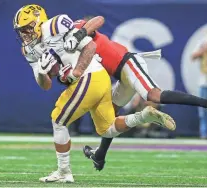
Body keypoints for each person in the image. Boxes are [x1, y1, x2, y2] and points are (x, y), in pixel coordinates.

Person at [13, 4, 175, 183]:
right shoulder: (28, 49)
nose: (24, 34)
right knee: (107, 129)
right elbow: (45, 86)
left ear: (38, 21)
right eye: (21, 31)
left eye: (27, 28)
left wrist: (76, 72)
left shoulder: (55, 25)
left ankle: (63, 171)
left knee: (58, 120)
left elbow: (89, 47)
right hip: (94, 80)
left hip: (90, 75)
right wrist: (43, 72)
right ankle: (143, 116)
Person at [63, 16, 207, 171]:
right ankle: (100, 155)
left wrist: (79, 34)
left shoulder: (74, 31)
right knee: (108, 117)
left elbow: (99, 19)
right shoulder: (66, 51)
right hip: (120, 74)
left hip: (127, 63)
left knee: (153, 95)